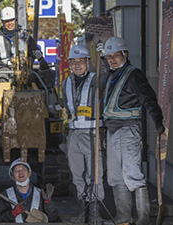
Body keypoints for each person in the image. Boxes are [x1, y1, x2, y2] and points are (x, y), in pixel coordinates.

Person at [100, 37, 165, 225]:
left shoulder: (133, 74)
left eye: (115, 56)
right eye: (108, 57)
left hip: (128, 130)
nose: (112, 60)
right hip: (112, 130)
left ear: (125, 55)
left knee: (132, 174)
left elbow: (148, 98)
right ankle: (123, 217)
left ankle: (143, 219)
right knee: (115, 176)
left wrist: (157, 121)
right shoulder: (111, 76)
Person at [61, 44, 105, 224]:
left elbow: (110, 79)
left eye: (81, 61)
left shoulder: (98, 79)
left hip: (93, 133)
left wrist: (103, 58)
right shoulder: (66, 83)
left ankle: (95, 213)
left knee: (94, 174)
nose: (77, 65)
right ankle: (84, 211)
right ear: (70, 63)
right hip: (74, 134)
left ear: (88, 62)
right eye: (74, 62)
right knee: (77, 173)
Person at [0, 158, 62, 223]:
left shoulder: (41, 194)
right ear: (12, 176)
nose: (20, 172)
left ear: (29, 173)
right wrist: (12, 213)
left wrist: (48, 202)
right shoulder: (6, 195)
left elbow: (53, 218)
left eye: (23, 169)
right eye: (17, 170)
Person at [0, 6, 49, 72]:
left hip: (23, 70)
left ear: (16, 20)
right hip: (3, 70)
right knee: (1, 77)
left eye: (12, 20)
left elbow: (33, 48)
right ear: (2, 22)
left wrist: (37, 53)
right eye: (7, 21)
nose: (10, 23)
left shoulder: (24, 36)